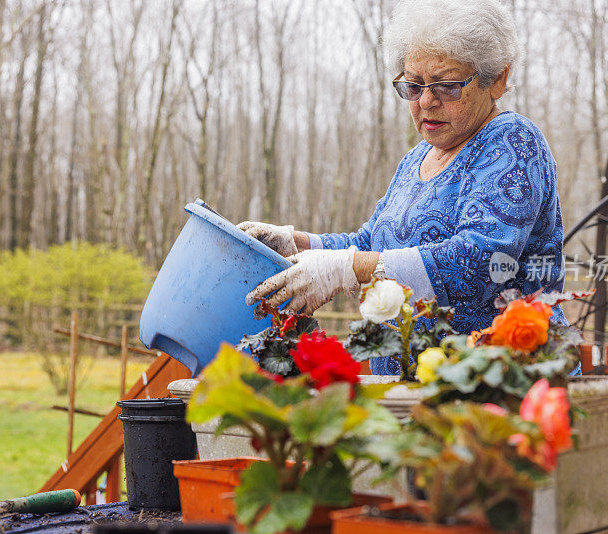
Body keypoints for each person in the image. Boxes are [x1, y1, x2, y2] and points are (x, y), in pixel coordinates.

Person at [240, 0, 567, 375]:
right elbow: (368, 246)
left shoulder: (511, 141)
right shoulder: (416, 160)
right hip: (413, 390)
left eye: (446, 85)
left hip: (497, 384)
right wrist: (296, 242)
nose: (426, 101)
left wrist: (343, 268)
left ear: (498, 79)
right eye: (414, 86)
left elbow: (480, 261)